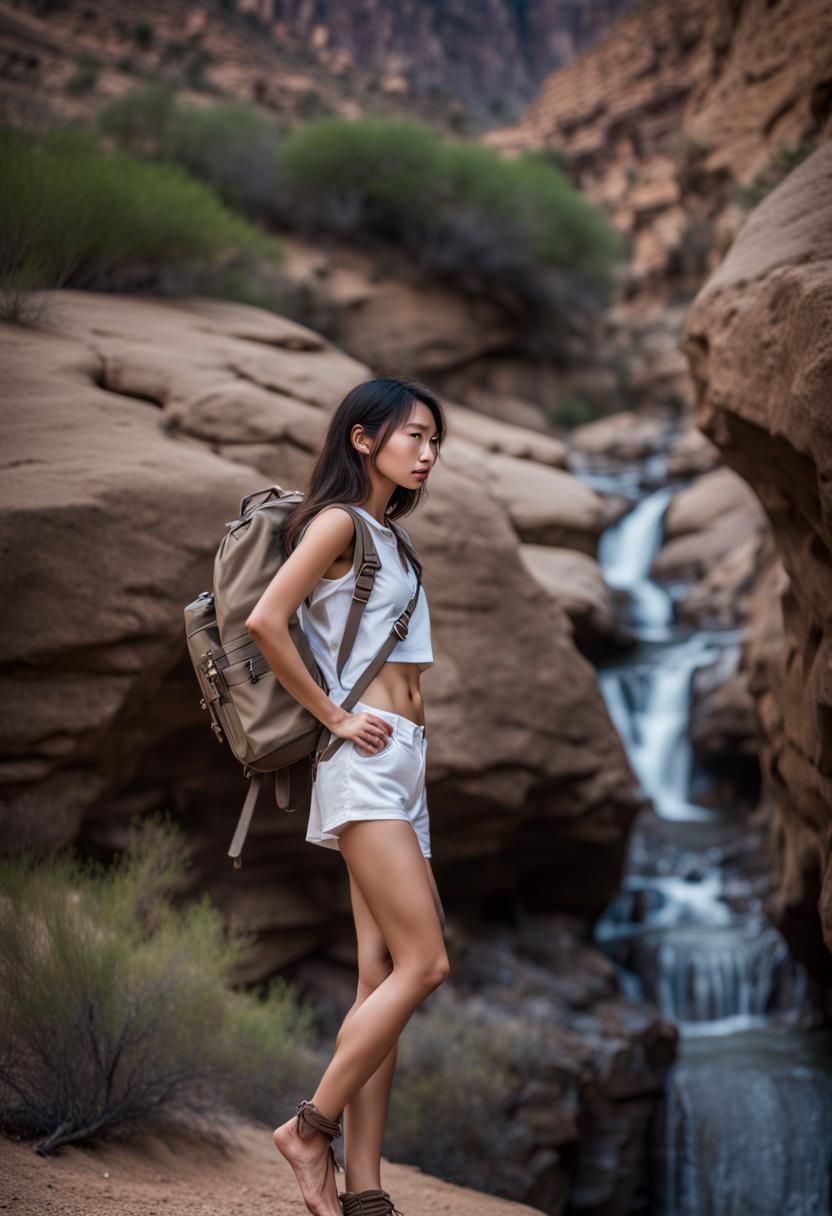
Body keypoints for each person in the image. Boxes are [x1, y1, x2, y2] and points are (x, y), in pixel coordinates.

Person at [245, 377, 449, 1216]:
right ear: (363, 439)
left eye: (436, 442)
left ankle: (364, 1188)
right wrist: (333, 712)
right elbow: (266, 618)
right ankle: (309, 1128)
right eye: (415, 437)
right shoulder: (336, 522)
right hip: (361, 758)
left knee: (379, 975)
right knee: (426, 964)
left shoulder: (393, 542)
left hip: (403, 761)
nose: (428, 454)